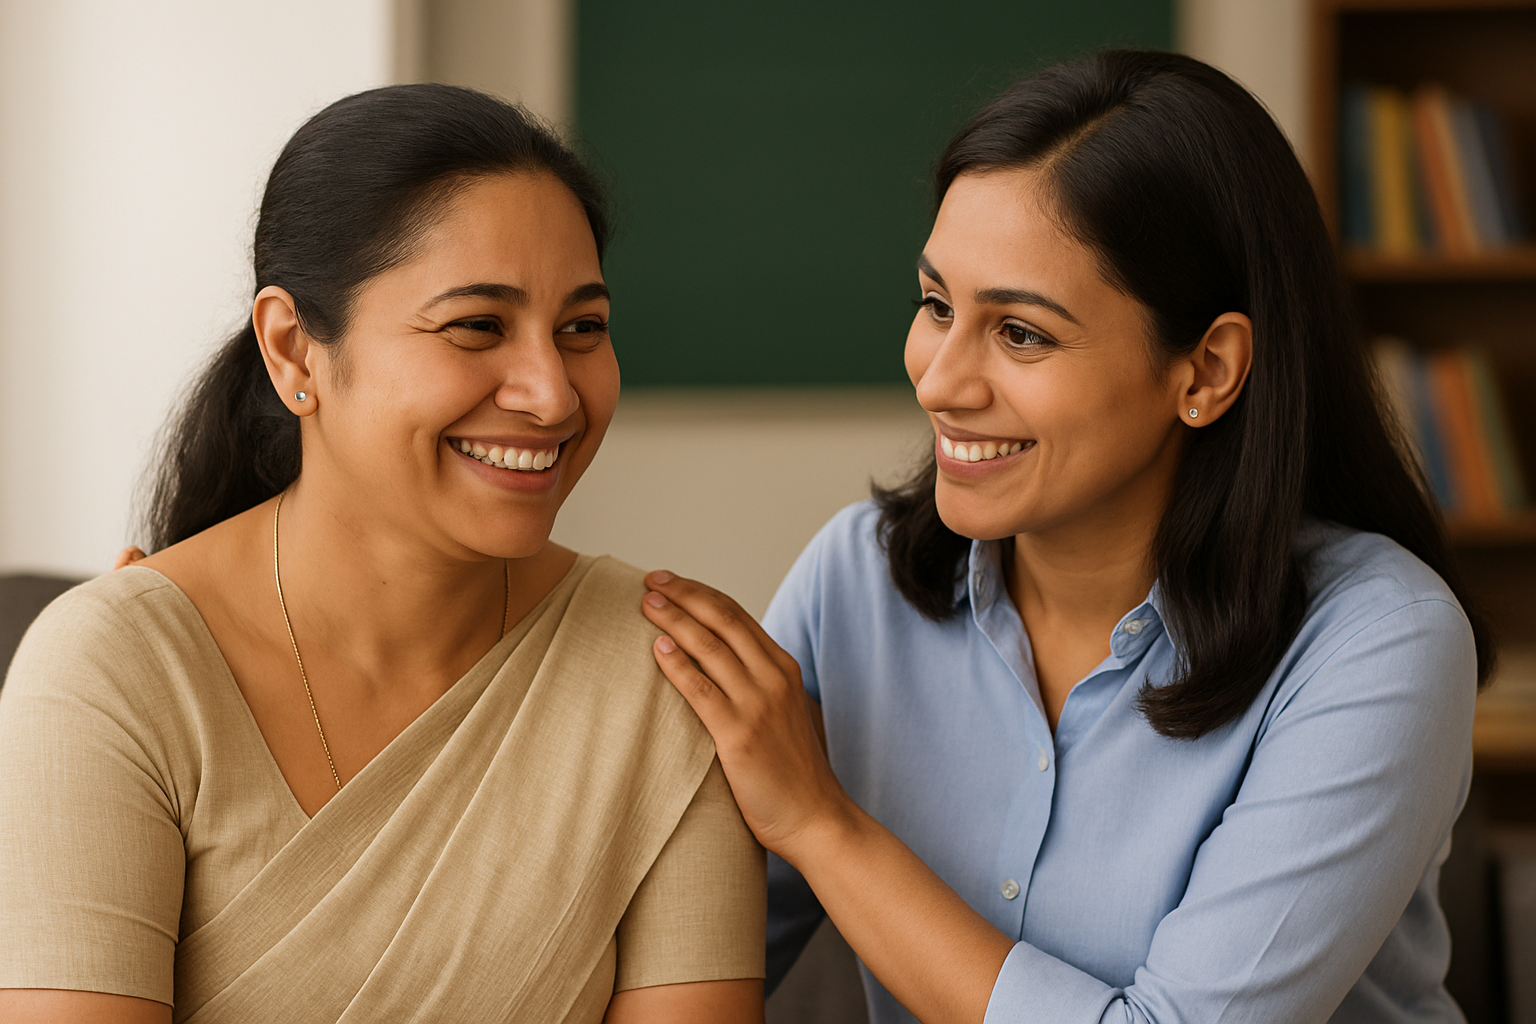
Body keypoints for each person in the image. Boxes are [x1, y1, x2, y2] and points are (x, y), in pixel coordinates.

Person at [638, 51, 1489, 1024]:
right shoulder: (856, 580)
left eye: (1022, 334)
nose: (941, 380)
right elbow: (692, 945)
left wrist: (823, 823)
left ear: (1207, 369)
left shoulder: (1381, 639)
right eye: (936, 306)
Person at [0, 84, 764, 1024]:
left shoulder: (672, 673)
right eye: (477, 325)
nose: (553, 395)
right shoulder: (117, 669)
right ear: (293, 352)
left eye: (582, 329)